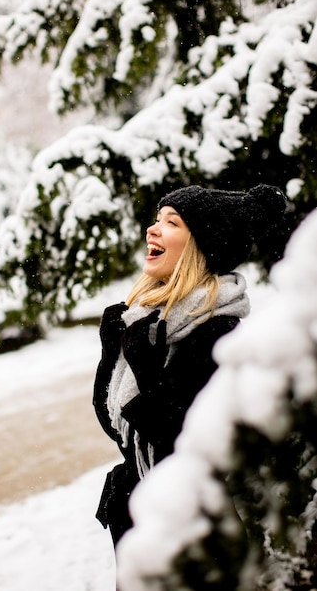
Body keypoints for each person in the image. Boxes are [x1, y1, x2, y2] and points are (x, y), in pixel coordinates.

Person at [93, 183, 288, 547]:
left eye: (172, 223)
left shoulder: (218, 334)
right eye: (156, 220)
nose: (153, 229)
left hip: (194, 535)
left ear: (200, 244)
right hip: (144, 522)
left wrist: (147, 373)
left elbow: (184, 446)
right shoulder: (152, 321)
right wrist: (111, 353)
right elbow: (119, 429)